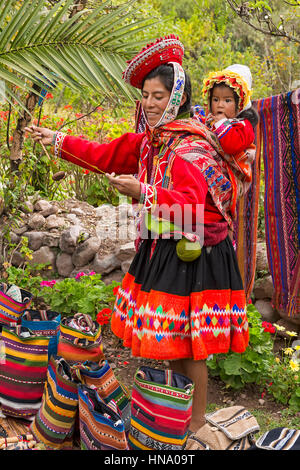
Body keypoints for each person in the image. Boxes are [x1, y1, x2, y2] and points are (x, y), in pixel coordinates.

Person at [25, 35, 249, 434]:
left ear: (176, 96)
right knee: (173, 342)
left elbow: (191, 204)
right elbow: (105, 155)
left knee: (191, 346)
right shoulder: (152, 142)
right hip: (168, 248)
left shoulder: (189, 147)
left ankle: (197, 428)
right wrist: (56, 141)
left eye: (158, 95)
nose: (149, 103)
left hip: (199, 251)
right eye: (146, 95)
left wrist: (142, 191)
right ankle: (175, 423)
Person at [195, 64, 259, 210]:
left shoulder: (243, 126)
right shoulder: (210, 121)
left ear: (239, 105)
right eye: (216, 99)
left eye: (227, 100)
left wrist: (222, 123)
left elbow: (231, 146)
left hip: (230, 182)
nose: (220, 105)